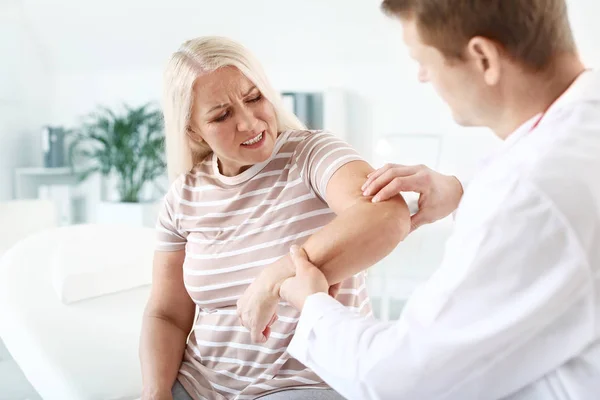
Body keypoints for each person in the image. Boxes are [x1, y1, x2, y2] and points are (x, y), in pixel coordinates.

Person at [279, 0, 600, 399]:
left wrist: (312, 307)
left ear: (483, 58)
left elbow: (402, 380)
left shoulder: (528, 192)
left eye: (423, 59)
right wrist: (461, 192)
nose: (421, 76)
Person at [138, 36, 411, 400]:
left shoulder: (312, 154)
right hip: (200, 385)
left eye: (254, 98)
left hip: (300, 384)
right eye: (222, 115)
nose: (249, 123)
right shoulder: (183, 197)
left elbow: (387, 214)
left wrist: (272, 279)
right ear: (192, 130)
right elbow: (167, 314)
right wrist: (156, 392)